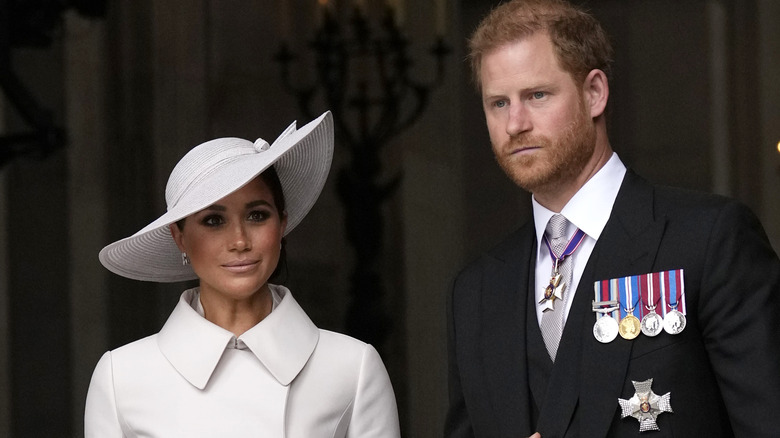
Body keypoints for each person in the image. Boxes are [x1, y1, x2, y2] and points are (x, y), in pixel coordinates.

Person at [445, 1, 780, 437]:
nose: (515, 124)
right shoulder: (475, 293)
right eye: (498, 103)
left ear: (594, 93)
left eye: (537, 95)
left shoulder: (709, 241)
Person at [85, 111, 401, 437]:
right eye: (213, 220)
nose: (239, 241)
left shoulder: (352, 367)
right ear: (179, 237)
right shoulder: (121, 377)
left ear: (282, 224)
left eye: (257, 215)